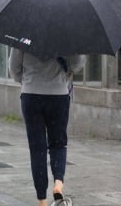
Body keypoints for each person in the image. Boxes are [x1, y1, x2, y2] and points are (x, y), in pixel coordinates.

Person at [9, 49, 86, 206]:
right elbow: (77, 64)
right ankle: (58, 182)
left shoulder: (24, 31)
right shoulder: (67, 33)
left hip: (31, 96)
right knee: (58, 144)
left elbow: (14, 68)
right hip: (58, 96)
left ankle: (41, 199)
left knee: (37, 149)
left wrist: (26, 81)